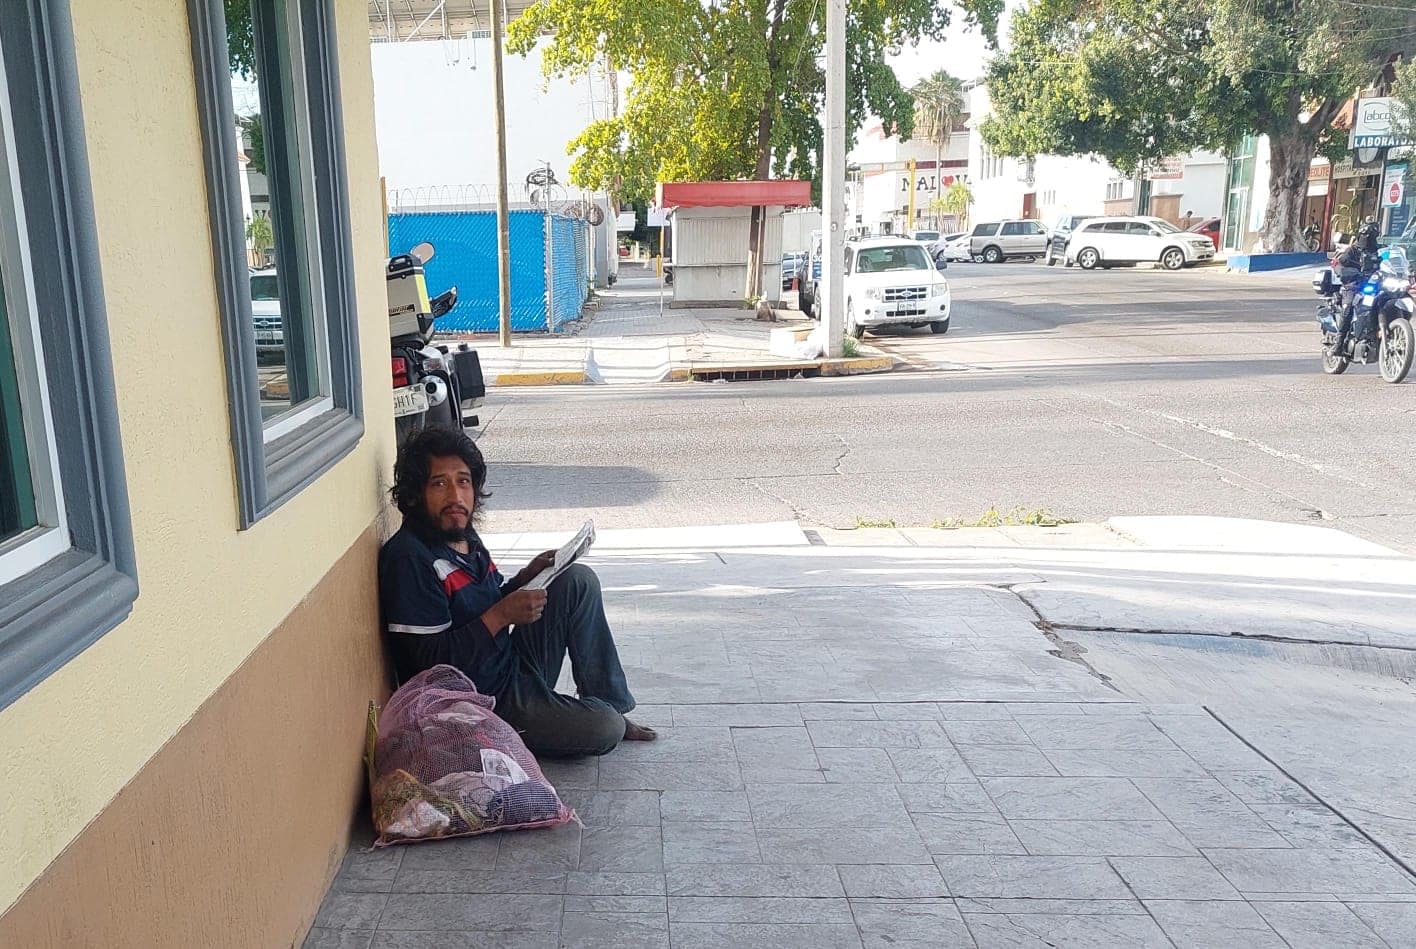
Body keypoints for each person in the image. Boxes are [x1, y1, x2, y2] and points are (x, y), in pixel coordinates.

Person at [378, 427, 656, 757]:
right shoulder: (411, 558)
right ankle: (550, 725)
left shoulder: (463, 535)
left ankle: (610, 704)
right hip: (481, 701)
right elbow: (429, 665)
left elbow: (488, 599)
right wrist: (502, 615)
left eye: (464, 481)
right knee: (603, 728)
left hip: (510, 664)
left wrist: (527, 576)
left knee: (577, 581)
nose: (456, 496)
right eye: (439, 483)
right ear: (413, 495)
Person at [1334, 218, 1382, 346]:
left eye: (1373, 234)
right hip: (1354, 284)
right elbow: (1339, 264)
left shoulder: (1380, 251)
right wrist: (1347, 273)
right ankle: (1338, 343)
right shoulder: (1353, 250)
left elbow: (1391, 261)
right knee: (1348, 307)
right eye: (1367, 234)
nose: (1369, 237)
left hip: (1375, 284)